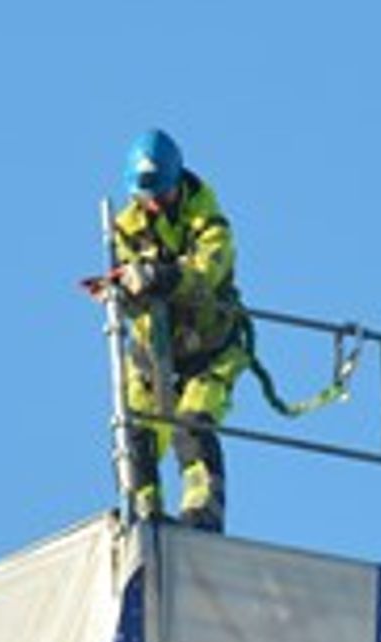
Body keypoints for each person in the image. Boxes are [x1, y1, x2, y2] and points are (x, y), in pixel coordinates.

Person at [107, 129, 247, 532]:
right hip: (155, 348)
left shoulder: (207, 216)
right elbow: (130, 281)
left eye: (161, 194)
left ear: (176, 183)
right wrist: (121, 289)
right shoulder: (125, 225)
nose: (153, 203)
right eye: (145, 196)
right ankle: (144, 512)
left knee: (192, 423)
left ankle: (203, 515)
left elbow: (207, 271)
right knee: (136, 431)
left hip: (210, 347)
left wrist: (162, 276)